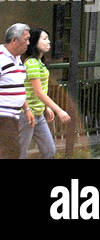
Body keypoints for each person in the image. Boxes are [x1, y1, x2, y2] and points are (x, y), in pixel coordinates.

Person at [18, 27, 69, 160]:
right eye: (45, 39)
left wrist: (45, 107)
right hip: (26, 114)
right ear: (35, 42)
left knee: (49, 150)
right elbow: (38, 92)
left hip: (38, 114)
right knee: (20, 153)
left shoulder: (39, 63)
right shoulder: (32, 63)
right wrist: (59, 110)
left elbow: (37, 91)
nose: (49, 42)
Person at [1, 24, 33, 160]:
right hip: (3, 115)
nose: (28, 43)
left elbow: (18, 87)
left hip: (14, 115)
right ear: (14, 40)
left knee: (12, 151)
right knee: (10, 152)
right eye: (25, 39)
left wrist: (27, 109)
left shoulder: (18, 60)